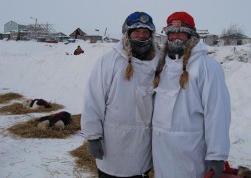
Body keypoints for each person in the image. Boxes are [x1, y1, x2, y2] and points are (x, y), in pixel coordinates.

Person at [152, 11, 231, 178]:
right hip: (161, 151)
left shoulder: (206, 66)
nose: (175, 37)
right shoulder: (161, 65)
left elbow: (217, 112)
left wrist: (217, 155)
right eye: (171, 33)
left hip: (190, 153)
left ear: (191, 35)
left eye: (181, 32)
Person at [81, 11, 159, 178]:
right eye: (136, 31)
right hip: (114, 146)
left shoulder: (158, 63)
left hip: (143, 148)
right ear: (128, 34)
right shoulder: (109, 62)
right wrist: (93, 136)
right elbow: (93, 100)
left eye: (146, 32)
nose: (141, 36)